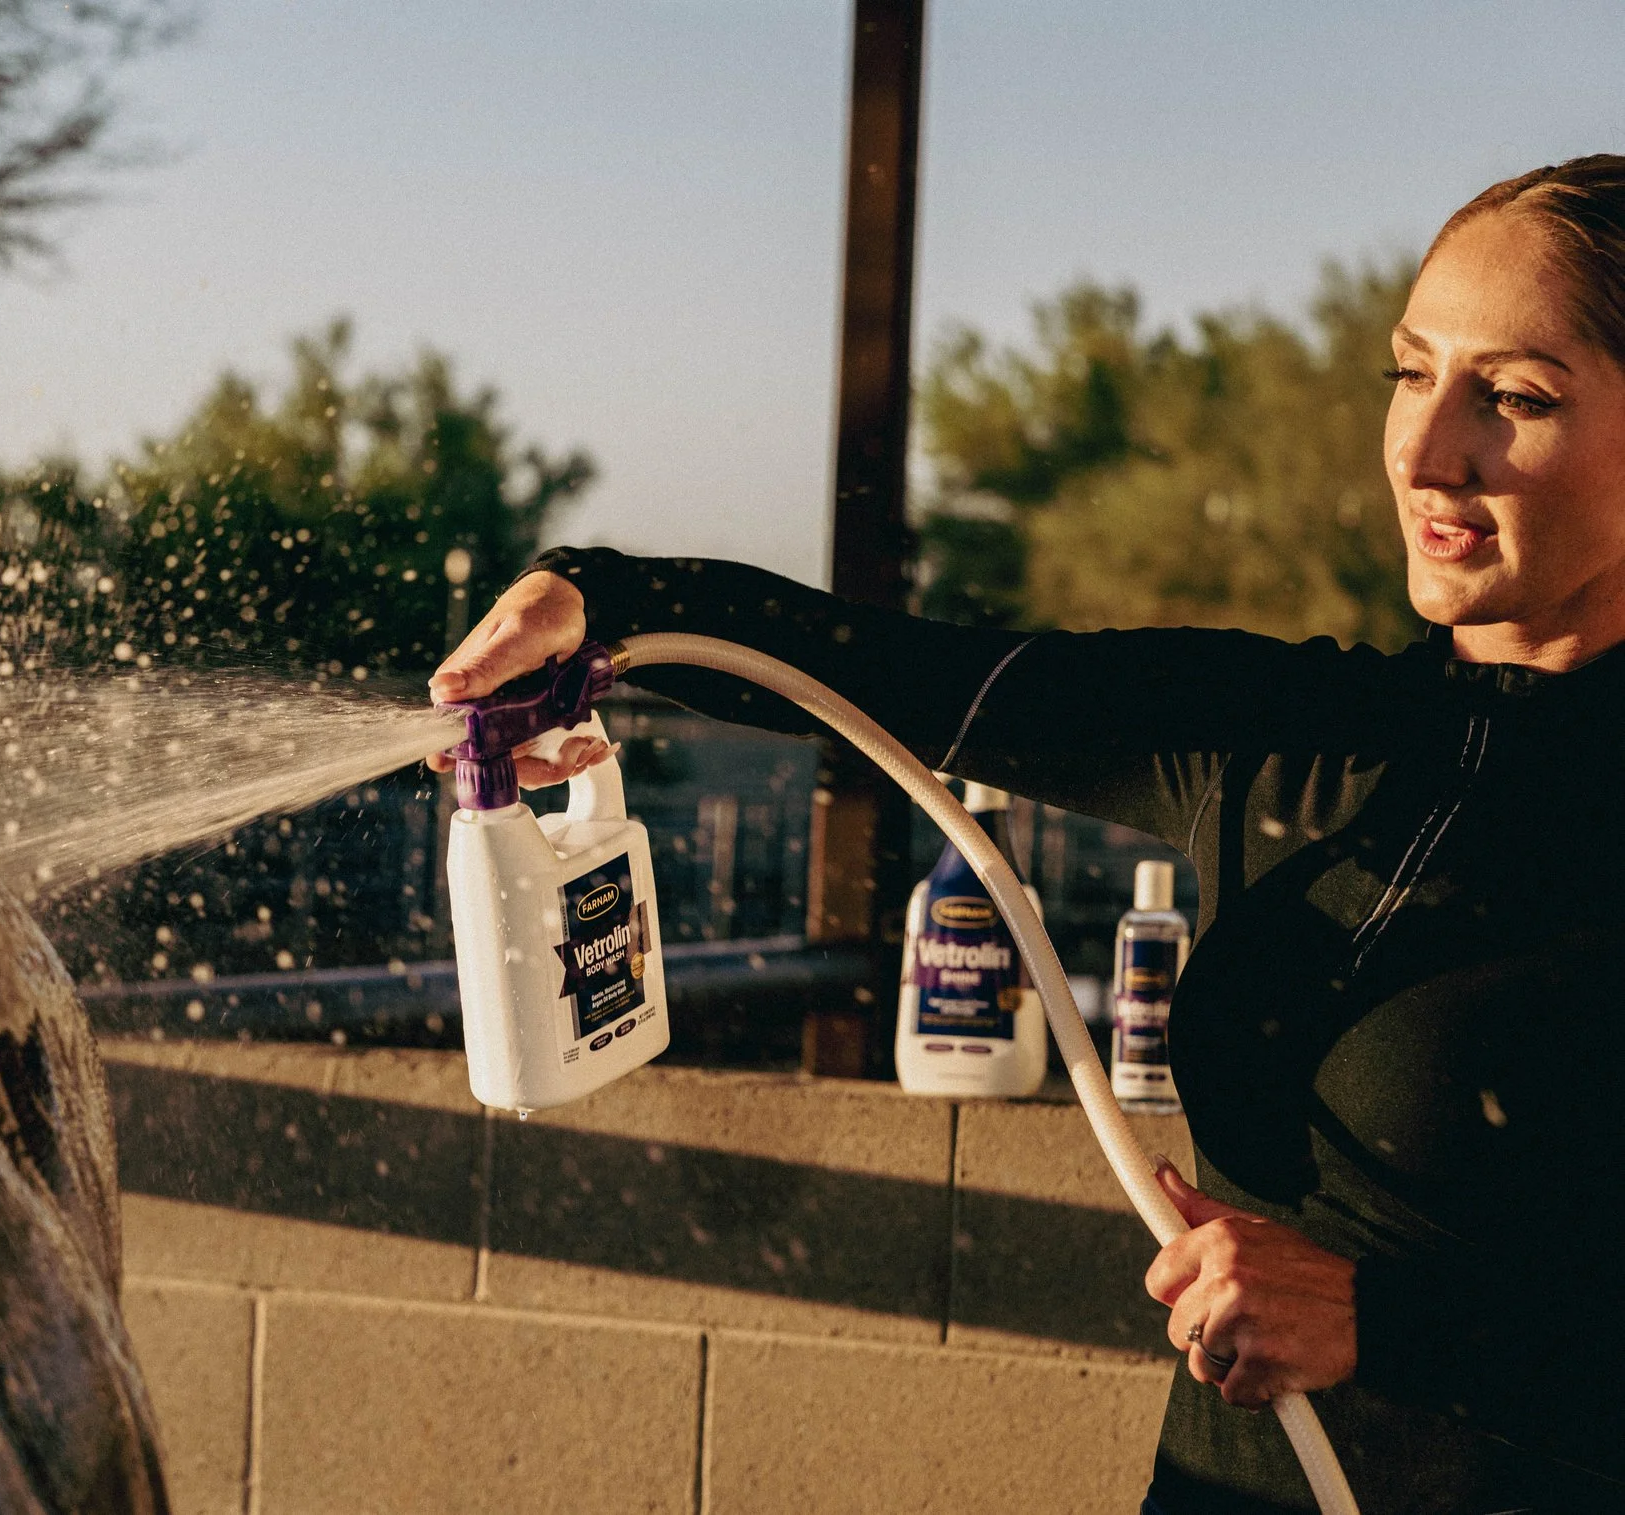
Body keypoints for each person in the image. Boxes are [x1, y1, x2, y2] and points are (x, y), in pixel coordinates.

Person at [429, 157, 1625, 1514]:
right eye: (1411, 373)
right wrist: (605, 609)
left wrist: (1389, 1322)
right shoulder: (1298, 731)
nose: (1424, 449)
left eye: (1514, 396)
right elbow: (903, 678)